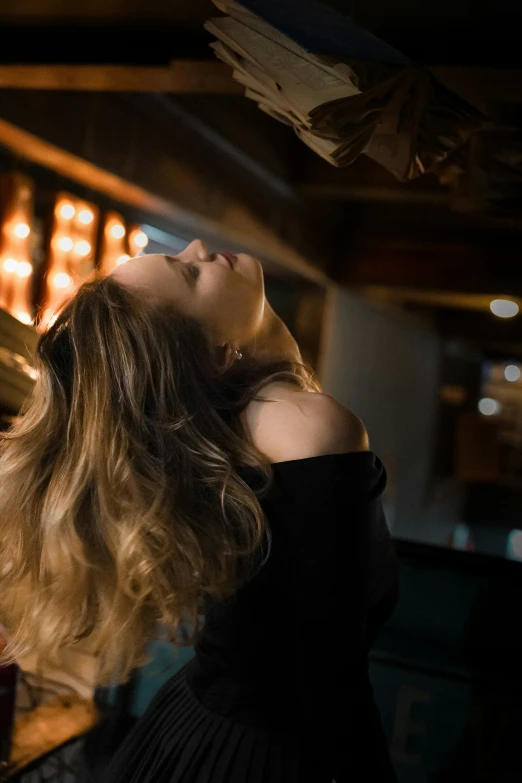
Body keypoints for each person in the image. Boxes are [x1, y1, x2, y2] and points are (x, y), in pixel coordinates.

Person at [0, 240, 399, 782]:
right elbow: (332, 685)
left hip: (196, 732)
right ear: (215, 355)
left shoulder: (240, 433)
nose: (198, 247)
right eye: (189, 274)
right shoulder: (309, 427)